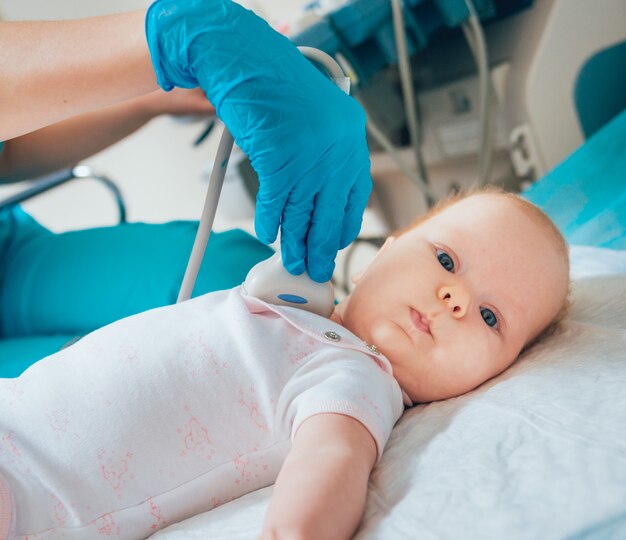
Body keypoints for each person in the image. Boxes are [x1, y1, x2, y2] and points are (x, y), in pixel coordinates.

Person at [0, 189, 570, 539]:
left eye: (491, 318)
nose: (457, 299)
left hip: (26, 491)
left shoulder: (355, 377)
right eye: (446, 258)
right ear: (390, 245)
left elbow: (331, 462)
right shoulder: (292, 297)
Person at [0, 0, 372, 371]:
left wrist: (152, 99)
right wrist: (179, 32)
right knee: (127, 377)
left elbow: (8, 150)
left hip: (9, 256)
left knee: (237, 292)